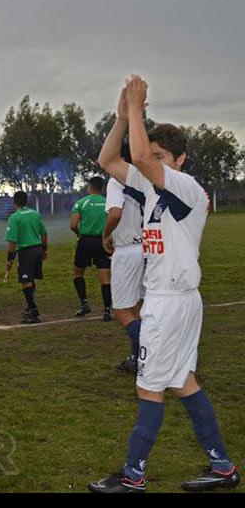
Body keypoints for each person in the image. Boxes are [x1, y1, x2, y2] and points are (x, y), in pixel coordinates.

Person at [89, 76, 239, 493]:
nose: (150, 161)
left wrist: (137, 109)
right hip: (171, 299)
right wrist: (121, 119)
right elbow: (109, 160)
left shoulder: (185, 188)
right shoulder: (151, 187)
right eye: (152, 155)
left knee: (148, 386)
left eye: (160, 156)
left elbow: (137, 155)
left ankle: (133, 476)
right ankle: (223, 467)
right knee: (182, 382)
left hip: (170, 302)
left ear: (181, 160)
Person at [102, 142, 146, 375]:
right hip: (149, 248)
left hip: (128, 250)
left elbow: (116, 212)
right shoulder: (147, 177)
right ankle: (138, 358)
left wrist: (105, 233)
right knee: (140, 308)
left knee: (122, 311)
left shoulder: (116, 179)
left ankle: (154, 355)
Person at [71, 176, 112, 321]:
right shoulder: (108, 203)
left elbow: (73, 225)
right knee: (105, 276)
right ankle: (107, 310)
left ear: (90, 187)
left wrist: (79, 235)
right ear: (102, 188)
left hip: (85, 241)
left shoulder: (81, 203)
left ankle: (84, 304)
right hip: (102, 241)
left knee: (78, 273)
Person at [5, 192, 48, 324]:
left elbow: (12, 242)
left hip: (25, 252)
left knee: (26, 281)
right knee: (31, 279)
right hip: (38, 250)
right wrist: (44, 250)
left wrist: (10, 259)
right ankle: (30, 307)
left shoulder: (14, 217)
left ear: (14, 202)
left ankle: (34, 312)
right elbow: (44, 233)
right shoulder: (35, 214)